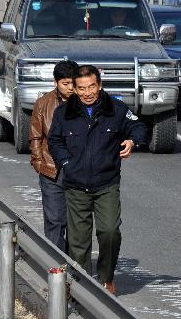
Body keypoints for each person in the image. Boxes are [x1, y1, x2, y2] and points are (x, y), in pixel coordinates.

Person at [47, 64, 148, 295]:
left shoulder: (117, 109)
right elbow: (54, 141)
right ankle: (81, 285)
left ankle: (106, 278)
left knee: (110, 231)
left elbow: (139, 127)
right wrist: (66, 164)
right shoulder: (64, 113)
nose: (87, 93)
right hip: (75, 185)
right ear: (75, 88)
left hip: (107, 184)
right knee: (78, 241)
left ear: (99, 85)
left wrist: (132, 142)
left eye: (92, 87)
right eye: (82, 88)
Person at [30, 60, 79, 252]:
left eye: (72, 83)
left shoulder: (86, 102)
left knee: (76, 224)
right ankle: (55, 269)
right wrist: (38, 162)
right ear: (55, 83)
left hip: (78, 171)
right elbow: (35, 135)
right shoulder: (43, 103)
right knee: (54, 221)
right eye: (65, 84)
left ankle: (75, 267)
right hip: (51, 171)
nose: (70, 88)